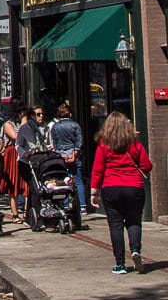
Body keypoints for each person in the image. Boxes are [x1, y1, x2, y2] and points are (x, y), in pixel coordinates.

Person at [90, 111, 153, 275]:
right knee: (134, 221)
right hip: (134, 187)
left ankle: (120, 263)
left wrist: (93, 192)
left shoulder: (104, 144)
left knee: (115, 225)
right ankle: (135, 250)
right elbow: (146, 165)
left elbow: (98, 170)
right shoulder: (135, 143)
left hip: (111, 187)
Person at [51, 102, 87, 213]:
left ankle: (65, 204)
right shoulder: (75, 125)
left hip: (62, 156)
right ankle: (82, 206)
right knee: (78, 180)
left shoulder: (55, 126)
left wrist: (62, 155)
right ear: (70, 114)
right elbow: (79, 142)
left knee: (63, 181)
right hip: (73, 154)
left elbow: (55, 143)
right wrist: (74, 154)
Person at [0, 102, 28, 222]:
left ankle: (26, 212)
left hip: (25, 154)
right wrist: (25, 123)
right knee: (13, 184)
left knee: (27, 184)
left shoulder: (28, 124)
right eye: (23, 114)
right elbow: (16, 137)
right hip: (13, 154)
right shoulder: (8, 124)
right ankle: (15, 214)